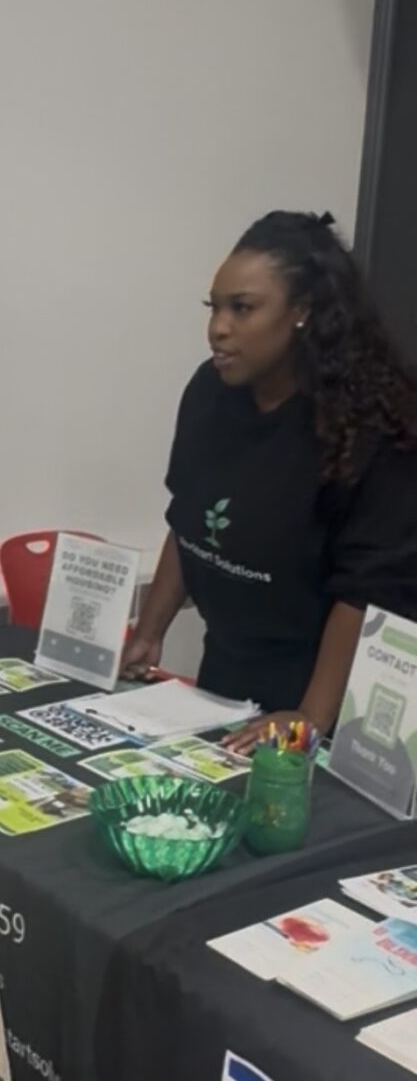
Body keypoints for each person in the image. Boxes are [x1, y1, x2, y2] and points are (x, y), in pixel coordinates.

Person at [123, 211, 417, 750]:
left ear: (302, 312)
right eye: (214, 307)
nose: (218, 327)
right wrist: (149, 633)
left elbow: (364, 593)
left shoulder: (370, 429)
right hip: (227, 677)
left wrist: (309, 716)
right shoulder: (209, 392)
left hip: (326, 694)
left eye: (243, 308)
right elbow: (186, 519)